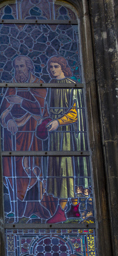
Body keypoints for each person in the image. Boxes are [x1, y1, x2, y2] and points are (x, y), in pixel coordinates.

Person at [0, 55, 50, 219]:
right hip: (12, 137)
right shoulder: (12, 86)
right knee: (13, 172)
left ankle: (33, 209)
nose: (19, 70)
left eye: (21, 66)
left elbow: (42, 110)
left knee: (31, 169)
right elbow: (3, 111)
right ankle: (17, 210)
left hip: (31, 136)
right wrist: (8, 121)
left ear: (29, 67)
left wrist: (21, 101)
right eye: (16, 67)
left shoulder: (38, 85)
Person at [44, 56, 88, 223]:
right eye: (50, 67)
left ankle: (62, 210)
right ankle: (73, 208)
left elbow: (75, 113)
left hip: (69, 134)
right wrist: (47, 121)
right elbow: (47, 109)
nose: (52, 70)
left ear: (63, 67)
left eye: (56, 66)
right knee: (58, 169)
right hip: (55, 135)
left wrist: (58, 121)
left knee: (66, 170)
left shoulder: (72, 86)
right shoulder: (51, 86)